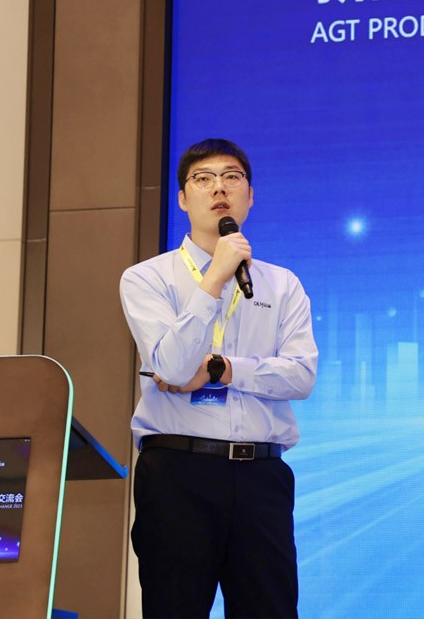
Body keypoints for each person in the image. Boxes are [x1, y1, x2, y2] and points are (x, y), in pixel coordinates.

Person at [120, 138, 318, 618]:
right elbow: (171, 366)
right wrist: (213, 279)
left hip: (261, 476)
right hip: (178, 473)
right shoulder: (147, 278)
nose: (219, 188)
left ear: (250, 196)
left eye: (232, 177)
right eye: (203, 178)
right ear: (183, 199)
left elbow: (300, 376)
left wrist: (222, 369)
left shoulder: (282, 284)